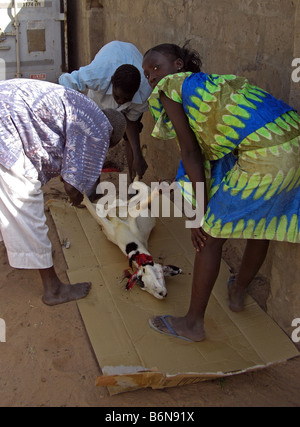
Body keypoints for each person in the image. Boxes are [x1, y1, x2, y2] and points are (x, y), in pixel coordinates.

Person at [142, 43, 300, 342]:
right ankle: (238, 290)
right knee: (261, 222)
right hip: (294, 137)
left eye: (156, 68)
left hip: (267, 151)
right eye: (147, 73)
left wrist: (200, 212)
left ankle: (193, 324)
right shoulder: (212, 87)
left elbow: (190, 152)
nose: (152, 77)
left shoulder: (171, 87)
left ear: (178, 65)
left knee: (209, 237)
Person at [0, 78, 126, 306]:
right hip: (6, 125)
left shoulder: (85, 109)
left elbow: (66, 156)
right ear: (109, 140)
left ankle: (33, 255)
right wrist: (78, 198)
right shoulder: (98, 128)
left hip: (6, 104)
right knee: (27, 205)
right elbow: (72, 186)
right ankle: (53, 289)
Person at [59, 40, 152, 181]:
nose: (120, 102)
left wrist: (138, 156)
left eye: (126, 99)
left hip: (129, 65)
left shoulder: (145, 92)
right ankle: (92, 182)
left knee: (131, 141)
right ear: (111, 82)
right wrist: (75, 117)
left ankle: (133, 181)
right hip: (109, 61)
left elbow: (131, 123)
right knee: (93, 136)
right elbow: (66, 82)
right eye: (117, 96)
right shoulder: (97, 75)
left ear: (135, 92)